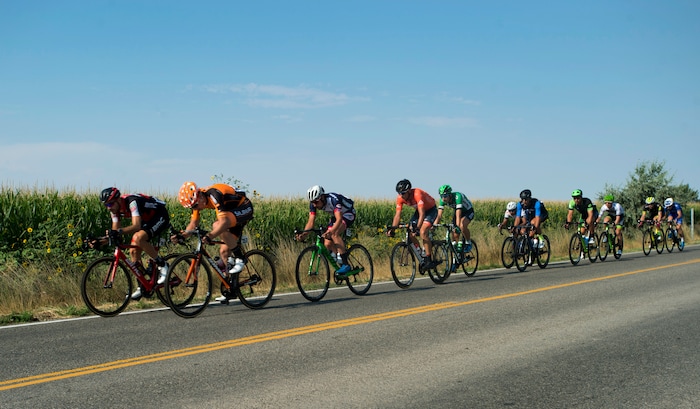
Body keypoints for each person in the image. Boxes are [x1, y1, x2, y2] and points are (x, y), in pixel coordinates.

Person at [177, 181, 254, 302]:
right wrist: (182, 236)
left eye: (195, 206)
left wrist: (210, 236)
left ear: (200, 197)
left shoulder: (214, 195)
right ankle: (231, 289)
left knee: (218, 225)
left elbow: (223, 223)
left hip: (243, 207)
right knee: (224, 251)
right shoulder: (197, 200)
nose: (195, 209)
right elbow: (193, 224)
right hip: (231, 212)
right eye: (192, 208)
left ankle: (240, 257)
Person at [98, 187, 171, 300]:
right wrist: (99, 241)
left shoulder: (132, 202)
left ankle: (163, 265)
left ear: (118, 200)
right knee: (133, 251)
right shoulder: (114, 210)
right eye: (106, 205)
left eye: (110, 204)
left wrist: (119, 231)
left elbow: (136, 225)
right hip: (146, 220)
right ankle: (142, 285)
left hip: (159, 215)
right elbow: (115, 232)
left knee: (138, 237)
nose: (109, 208)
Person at [295, 185, 356, 275]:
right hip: (336, 216)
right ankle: (340, 261)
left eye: (316, 202)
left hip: (348, 214)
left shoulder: (333, 200)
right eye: (312, 202)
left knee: (334, 233)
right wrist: (304, 235)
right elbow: (311, 222)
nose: (314, 205)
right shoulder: (314, 203)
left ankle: (346, 264)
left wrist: (331, 231)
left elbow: (339, 219)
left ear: (322, 197)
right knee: (327, 243)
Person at [387, 179, 441, 270]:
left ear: (408, 191)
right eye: (399, 193)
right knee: (411, 234)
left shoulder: (417, 194)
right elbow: (397, 215)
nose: (401, 195)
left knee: (423, 232)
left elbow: (422, 214)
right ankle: (421, 254)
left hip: (430, 210)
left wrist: (418, 228)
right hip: (418, 212)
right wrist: (392, 229)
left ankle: (428, 259)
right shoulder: (400, 198)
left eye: (403, 193)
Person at [434, 184, 474, 253]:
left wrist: (458, 227)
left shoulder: (457, 196)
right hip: (457, 212)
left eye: (445, 196)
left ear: (450, 195)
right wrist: (434, 225)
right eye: (441, 196)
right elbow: (439, 215)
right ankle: (457, 256)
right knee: (454, 236)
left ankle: (468, 242)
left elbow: (458, 215)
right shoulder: (442, 200)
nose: (443, 198)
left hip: (468, 211)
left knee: (461, 226)